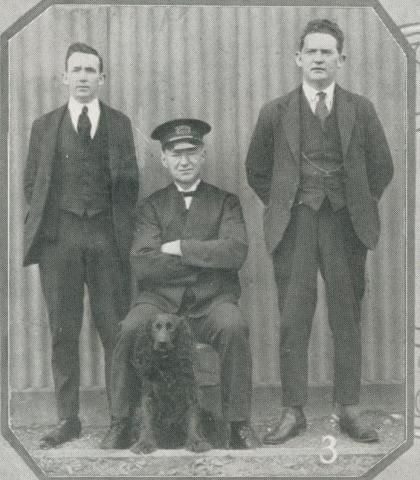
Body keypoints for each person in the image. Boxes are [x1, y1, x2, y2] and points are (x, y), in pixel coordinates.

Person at [246, 19, 393, 444]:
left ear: (341, 60)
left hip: (346, 225)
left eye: (327, 52)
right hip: (295, 225)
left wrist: (356, 203)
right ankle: (294, 411)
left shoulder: (360, 109)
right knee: (293, 319)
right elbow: (257, 171)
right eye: (311, 51)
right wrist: (288, 202)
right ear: (298, 58)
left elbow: (382, 167)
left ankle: (349, 408)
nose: (319, 59)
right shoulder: (274, 112)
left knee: (346, 315)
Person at [101, 118, 261, 450]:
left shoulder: (225, 202)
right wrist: (204, 261)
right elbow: (143, 263)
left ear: (203, 155)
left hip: (212, 303)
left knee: (233, 327)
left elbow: (235, 252)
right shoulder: (151, 206)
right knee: (130, 329)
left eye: (191, 152)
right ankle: (120, 421)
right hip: (158, 302)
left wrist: (179, 248)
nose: (184, 161)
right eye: (176, 154)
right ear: (164, 159)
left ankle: (238, 424)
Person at [23, 43, 139, 448]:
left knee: (115, 330)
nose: (84, 76)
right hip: (60, 243)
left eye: (92, 70)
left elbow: (128, 188)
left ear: (102, 78)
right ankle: (67, 418)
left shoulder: (120, 124)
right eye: (77, 70)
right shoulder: (44, 126)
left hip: (107, 243)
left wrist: (118, 235)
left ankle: (121, 419)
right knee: (63, 332)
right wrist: (57, 227)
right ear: (64, 77)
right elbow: (31, 186)